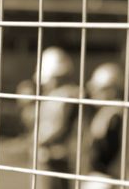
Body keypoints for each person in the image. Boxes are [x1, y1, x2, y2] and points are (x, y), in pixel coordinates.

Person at [16, 47, 79, 189]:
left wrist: (35, 141)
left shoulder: (63, 97)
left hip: (53, 158)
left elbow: (53, 129)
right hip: (55, 158)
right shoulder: (59, 96)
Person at [83, 63, 129, 189]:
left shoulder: (115, 114)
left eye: (98, 89)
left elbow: (105, 151)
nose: (93, 93)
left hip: (105, 178)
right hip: (105, 177)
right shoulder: (111, 111)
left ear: (112, 90)